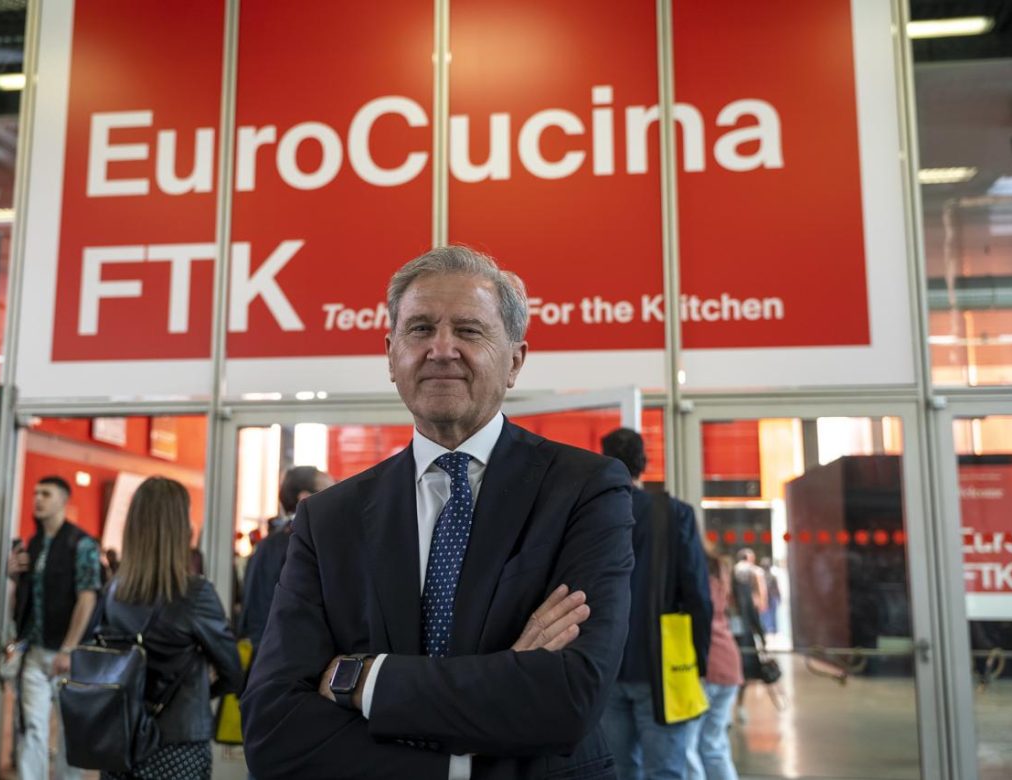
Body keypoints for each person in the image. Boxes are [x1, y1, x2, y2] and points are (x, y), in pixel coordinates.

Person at [241, 245, 635, 779]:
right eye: (421, 328)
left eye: (469, 331)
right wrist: (462, 757)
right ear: (391, 356)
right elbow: (273, 729)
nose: (442, 349)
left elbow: (568, 697)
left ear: (515, 361)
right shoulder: (329, 519)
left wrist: (367, 681)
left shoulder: (584, 490)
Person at [94, 476, 243, 779]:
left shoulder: (114, 591)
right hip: (179, 741)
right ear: (180, 528)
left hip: (120, 738)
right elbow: (233, 673)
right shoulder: (195, 593)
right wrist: (198, 689)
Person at [597, 428, 711, 780]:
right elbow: (698, 594)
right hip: (664, 664)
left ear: (603, 461)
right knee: (665, 771)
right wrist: (699, 659)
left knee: (617, 770)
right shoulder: (674, 514)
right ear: (643, 463)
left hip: (603, 663)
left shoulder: (592, 514)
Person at [7, 475, 102, 780]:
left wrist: (69, 648)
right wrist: (13, 576)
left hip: (69, 654)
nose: (38, 499)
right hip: (34, 650)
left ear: (63, 500)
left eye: (46, 494)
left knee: (70, 729)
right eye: (36, 492)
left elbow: (87, 597)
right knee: (32, 727)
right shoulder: (33, 543)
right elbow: (22, 601)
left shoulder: (81, 543)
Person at [238, 465, 334, 650]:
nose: (336, 498)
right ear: (305, 497)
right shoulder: (304, 546)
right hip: (286, 652)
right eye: (329, 490)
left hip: (263, 651)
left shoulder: (269, 544)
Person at [686, 544, 743, 780]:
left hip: (706, 665)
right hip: (729, 662)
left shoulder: (695, 578)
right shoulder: (720, 573)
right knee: (714, 744)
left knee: (688, 747)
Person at [731, 548, 767, 723]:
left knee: (743, 675)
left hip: (743, 639)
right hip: (730, 641)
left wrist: (761, 636)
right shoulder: (722, 592)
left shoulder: (743, 590)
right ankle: (732, 708)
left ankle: (739, 706)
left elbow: (753, 615)